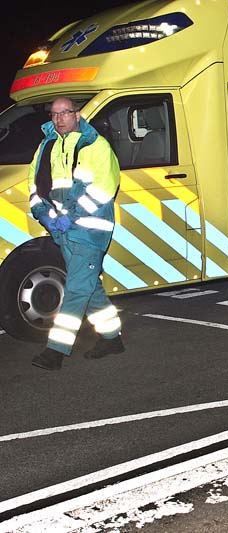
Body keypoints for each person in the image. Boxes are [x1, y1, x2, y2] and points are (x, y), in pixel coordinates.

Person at [28, 96, 124, 370]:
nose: (59, 119)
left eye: (65, 113)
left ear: (77, 115)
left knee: (77, 288)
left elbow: (104, 188)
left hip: (90, 228)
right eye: (54, 114)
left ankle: (56, 350)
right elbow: (34, 183)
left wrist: (72, 215)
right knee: (88, 285)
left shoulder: (95, 145)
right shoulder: (46, 145)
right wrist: (43, 213)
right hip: (63, 230)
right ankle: (111, 338)